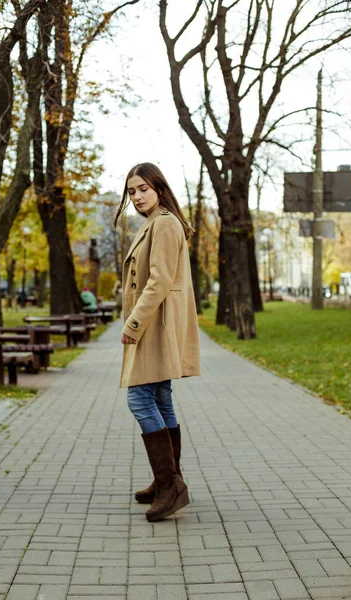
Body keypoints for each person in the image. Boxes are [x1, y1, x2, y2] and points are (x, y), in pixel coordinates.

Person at [113, 162, 200, 522]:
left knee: (139, 397)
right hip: (157, 323)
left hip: (155, 324)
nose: (136, 196)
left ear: (159, 189)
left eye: (142, 189)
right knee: (159, 395)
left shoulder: (164, 224)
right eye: (131, 191)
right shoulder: (156, 223)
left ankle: (170, 484)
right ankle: (168, 480)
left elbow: (159, 281)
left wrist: (134, 323)